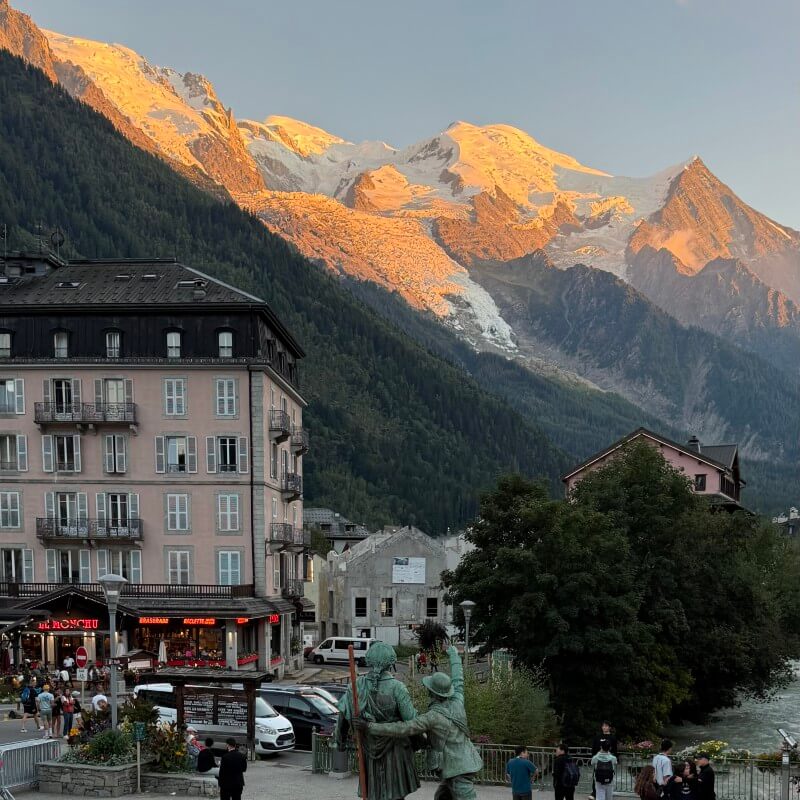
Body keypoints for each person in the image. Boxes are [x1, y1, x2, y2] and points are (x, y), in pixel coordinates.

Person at [354, 644, 483, 800]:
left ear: (431, 692)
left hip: (459, 770)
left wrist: (370, 727)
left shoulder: (432, 717)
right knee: (442, 797)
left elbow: (403, 728)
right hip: (461, 764)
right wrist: (454, 655)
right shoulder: (457, 700)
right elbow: (458, 678)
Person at [335, 641, 420, 800]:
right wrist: (421, 742)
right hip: (395, 750)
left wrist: (340, 743)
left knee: (374, 794)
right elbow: (412, 722)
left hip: (369, 750)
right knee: (395, 795)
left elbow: (342, 718)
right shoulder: (397, 688)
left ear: (369, 662)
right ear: (391, 663)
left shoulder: (357, 685)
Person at [590, 722, 619, 800]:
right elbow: (593, 749)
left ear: (609, 727)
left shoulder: (613, 738)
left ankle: (606, 795)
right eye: (603, 726)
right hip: (598, 760)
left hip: (609, 761)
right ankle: (594, 792)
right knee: (597, 775)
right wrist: (595, 756)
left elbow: (615, 750)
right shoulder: (597, 737)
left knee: (609, 777)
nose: (604, 727)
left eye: (606, 726)